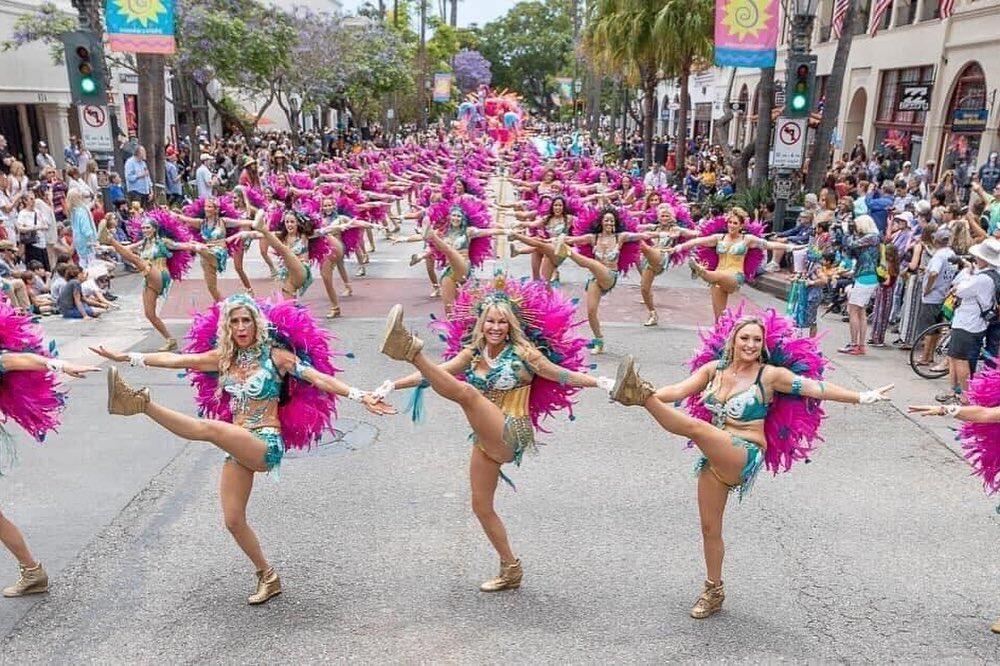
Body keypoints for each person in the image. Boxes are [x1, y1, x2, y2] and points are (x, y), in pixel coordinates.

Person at [93, 294, 392, 604]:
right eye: (234, 321)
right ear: (227, 327)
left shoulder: (276, 357)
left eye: (245, 320)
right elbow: (177, 360)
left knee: (210, 429)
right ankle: (268, 575)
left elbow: (318, 378)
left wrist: (361, 395)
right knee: (233, 520)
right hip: (238, 444)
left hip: (264, 443)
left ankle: (140, 404)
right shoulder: (224, 359)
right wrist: (126, 357)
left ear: (256, 323)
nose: (240, 327)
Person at [606, 315, 892, 619]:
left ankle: (638, 393)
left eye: (757, 340)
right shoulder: (712, 370)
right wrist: (627, 396)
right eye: (745, 338)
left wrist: (861, 396)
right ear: (733, 340)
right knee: (709, 528)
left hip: (745, 452)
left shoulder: (770, 376)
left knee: (697, 429)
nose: (751, 345)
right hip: (715, 457)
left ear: (763, 345)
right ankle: (713, 590)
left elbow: (816, 388)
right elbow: (676, 391)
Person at [375, 284, 608, 592]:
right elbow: (437, 374)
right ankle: (511, 568)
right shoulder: (473, 353)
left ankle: (410, 350)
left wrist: (603, 382)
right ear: (481, 323)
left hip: (513, 430)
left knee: (467, 393)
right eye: (491, 321)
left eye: (502, 322)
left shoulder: (525, 354)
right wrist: (391, 385)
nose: (496, 327)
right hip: (485, 436)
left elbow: (562, 374)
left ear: (511, 325)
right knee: (481, 506)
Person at [937, 241, 1000, 404]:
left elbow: (960, 290)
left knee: (961, 359)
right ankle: (957, 392)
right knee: (954, 357)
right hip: (969, 322)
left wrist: (964, 278)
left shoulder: (982, 279)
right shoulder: (988, 276)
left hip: (969, 324)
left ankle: (965, 395)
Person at [837, 215, 881, 355]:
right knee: (860, 311)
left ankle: (854, 343)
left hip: (866, 276)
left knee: (853, 310)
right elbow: (848, 252)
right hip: (866, 276)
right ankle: (860, 345)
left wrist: (846, 232)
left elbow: (851, 245)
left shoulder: (872, 237)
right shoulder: (870, 238)